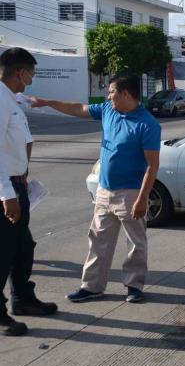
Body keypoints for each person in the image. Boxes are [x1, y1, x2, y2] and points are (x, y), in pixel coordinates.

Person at [31, 75, 161, 304]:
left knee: (136, 243)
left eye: (111, 92)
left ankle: (134, 286)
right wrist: (50, 102)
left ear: (126, 94)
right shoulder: (108, 111)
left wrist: (142, 199)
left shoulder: (147, 123)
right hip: (105, 191)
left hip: (130, 193)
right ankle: (91, 287)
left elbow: (152, 165)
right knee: (98, 239)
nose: (108, 96)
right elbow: (78, 108)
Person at [0, 48, 58, 336]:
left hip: (17, 183)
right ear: (21, 73)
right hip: (6, 188)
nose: (32, 79)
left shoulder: (11, 98)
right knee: (3, 252)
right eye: (32, 73)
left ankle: (23, 299)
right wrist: (7, 194)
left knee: (23, 248)